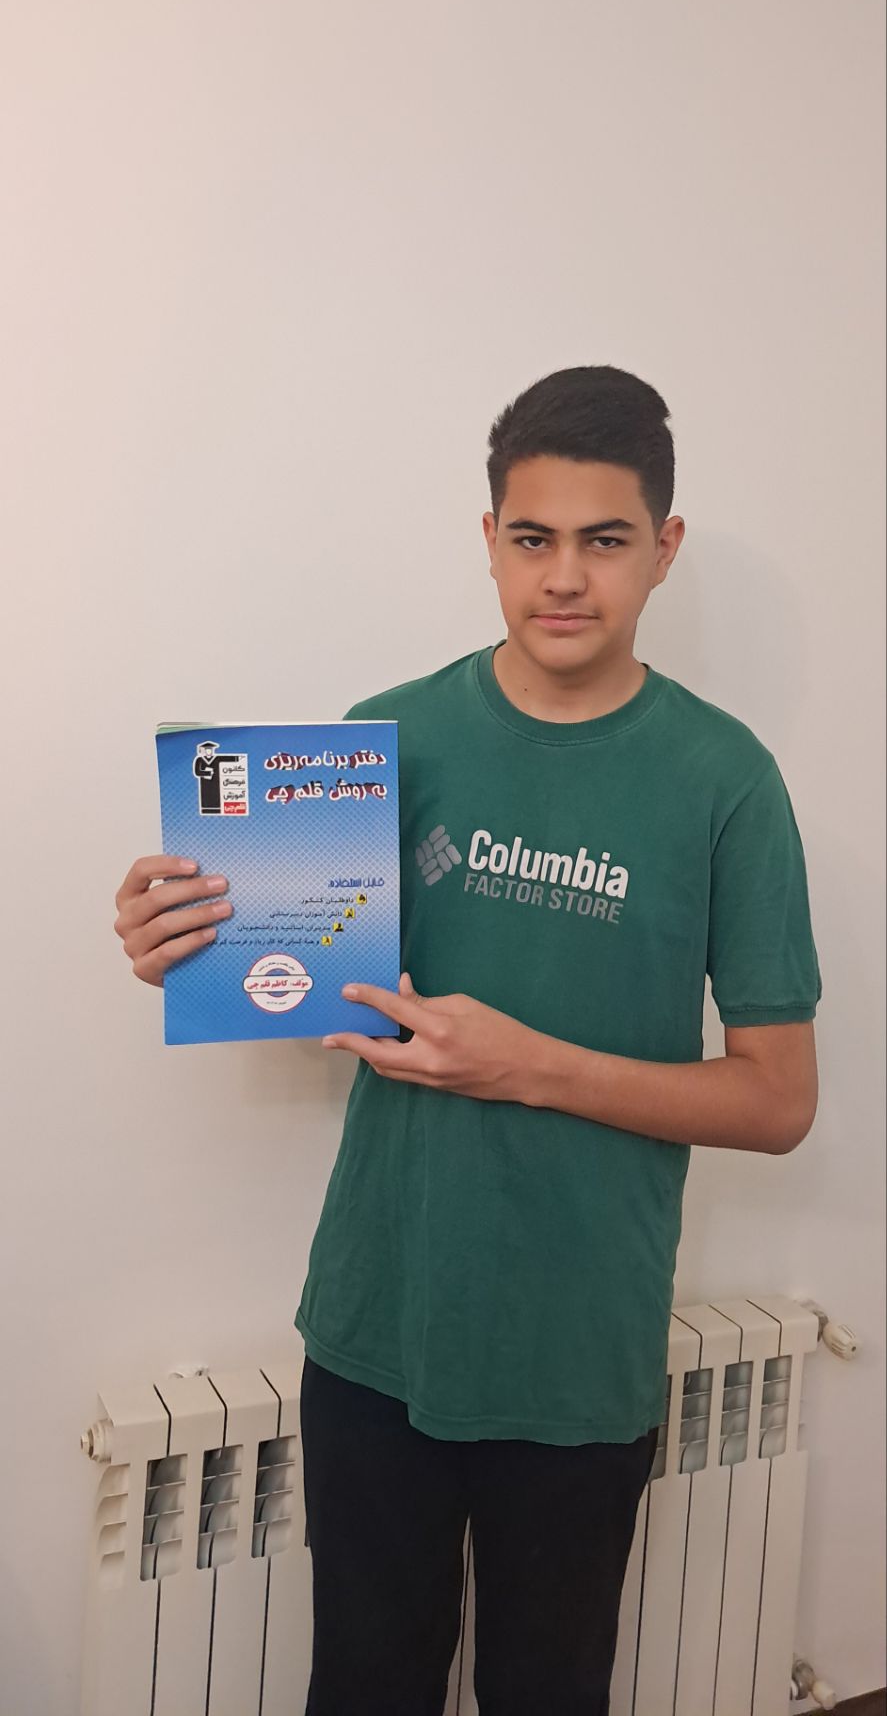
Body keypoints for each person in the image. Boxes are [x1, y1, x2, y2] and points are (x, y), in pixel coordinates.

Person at [113, 365, 822, 1716]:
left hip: (578, 1353)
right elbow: (302, 985)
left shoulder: (725, 781)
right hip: (378, 1329)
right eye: (532, 537)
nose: (564, 577)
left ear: (664, 548)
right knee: (363, 1686)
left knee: (545, 1693)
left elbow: (778, 1100)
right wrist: (182, 937)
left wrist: (525, 1065)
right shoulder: (386, 740)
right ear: (489, 539)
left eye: (605, 540)